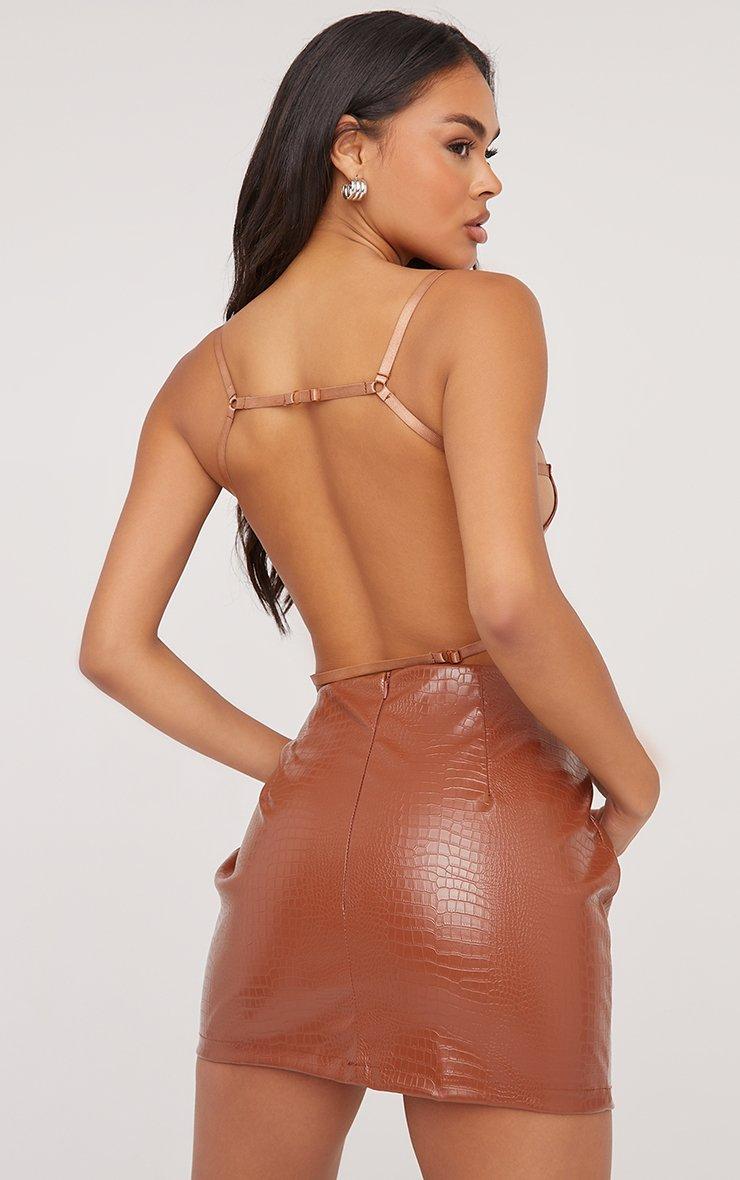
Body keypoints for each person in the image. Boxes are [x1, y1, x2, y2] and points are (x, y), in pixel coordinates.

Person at [79, 11, 660, 1179]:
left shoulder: (204, 378)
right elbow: (507, 600)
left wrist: (298, 773)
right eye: (458, 144)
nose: (487, 182)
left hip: (296, 859)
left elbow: (112, 647)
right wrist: (634, 781)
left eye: (491, 152)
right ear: (350, 148)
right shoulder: (477, 314)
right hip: (487, 832)